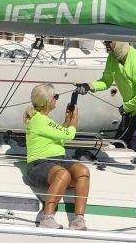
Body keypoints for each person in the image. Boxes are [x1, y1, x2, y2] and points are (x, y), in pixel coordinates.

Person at [24, 84, 90, 230]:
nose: (57, 99)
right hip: (39, 164)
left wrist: (67, 121)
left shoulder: (46, 119)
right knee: (63, 174)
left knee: (83, 171)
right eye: (56, 96)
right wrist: (75, 117)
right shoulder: (39, 120)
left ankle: (78, 219)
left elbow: (60, 138)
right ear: (48, 100)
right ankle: (47, 218)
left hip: (58, 160)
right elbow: (69, 135)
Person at [90, 38, 136, 154]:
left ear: (119, 42)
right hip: (134, 108)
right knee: (119, 145)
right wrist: (89, 86)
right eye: (105, 42)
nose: (105, 44)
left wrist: (126, 107)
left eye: (109, 42)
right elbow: (106, 81)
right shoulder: (112, 58)